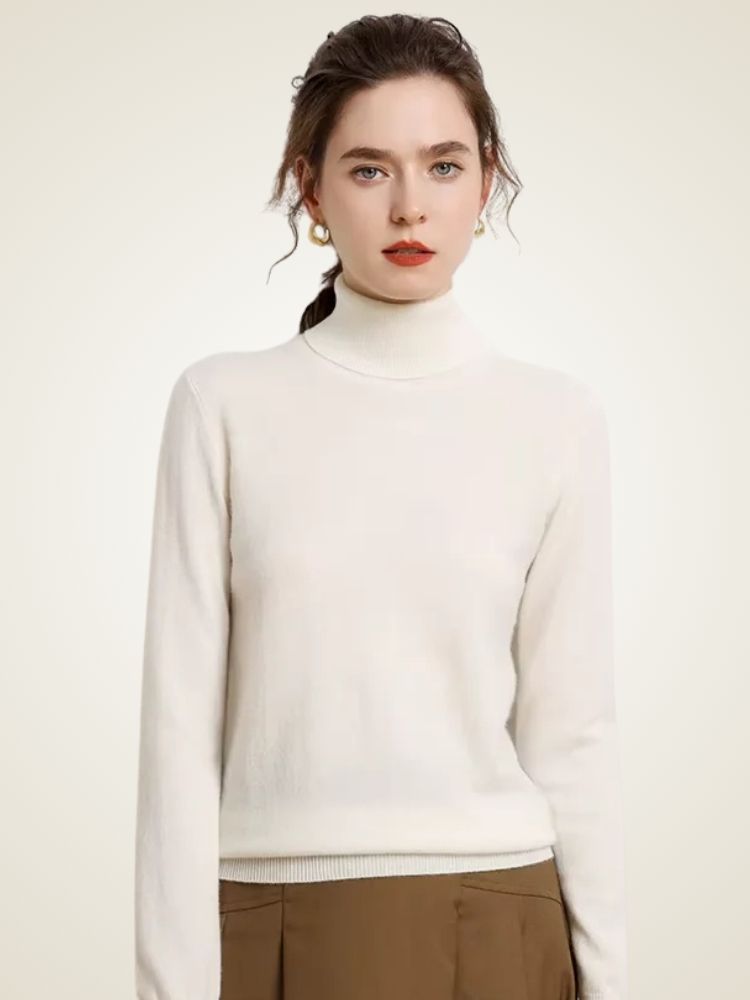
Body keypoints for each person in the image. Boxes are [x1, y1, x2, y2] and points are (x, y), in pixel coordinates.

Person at [134, 14, 628, 1000]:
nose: (410, 207)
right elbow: (177, 739)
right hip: (275, 915)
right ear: (310, 188)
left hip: (503, 920)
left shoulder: (556, 418)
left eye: (443, 166)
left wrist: (613, 982)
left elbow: (574, 733)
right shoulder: (222, 404)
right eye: (369, 170)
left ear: (486, 182)